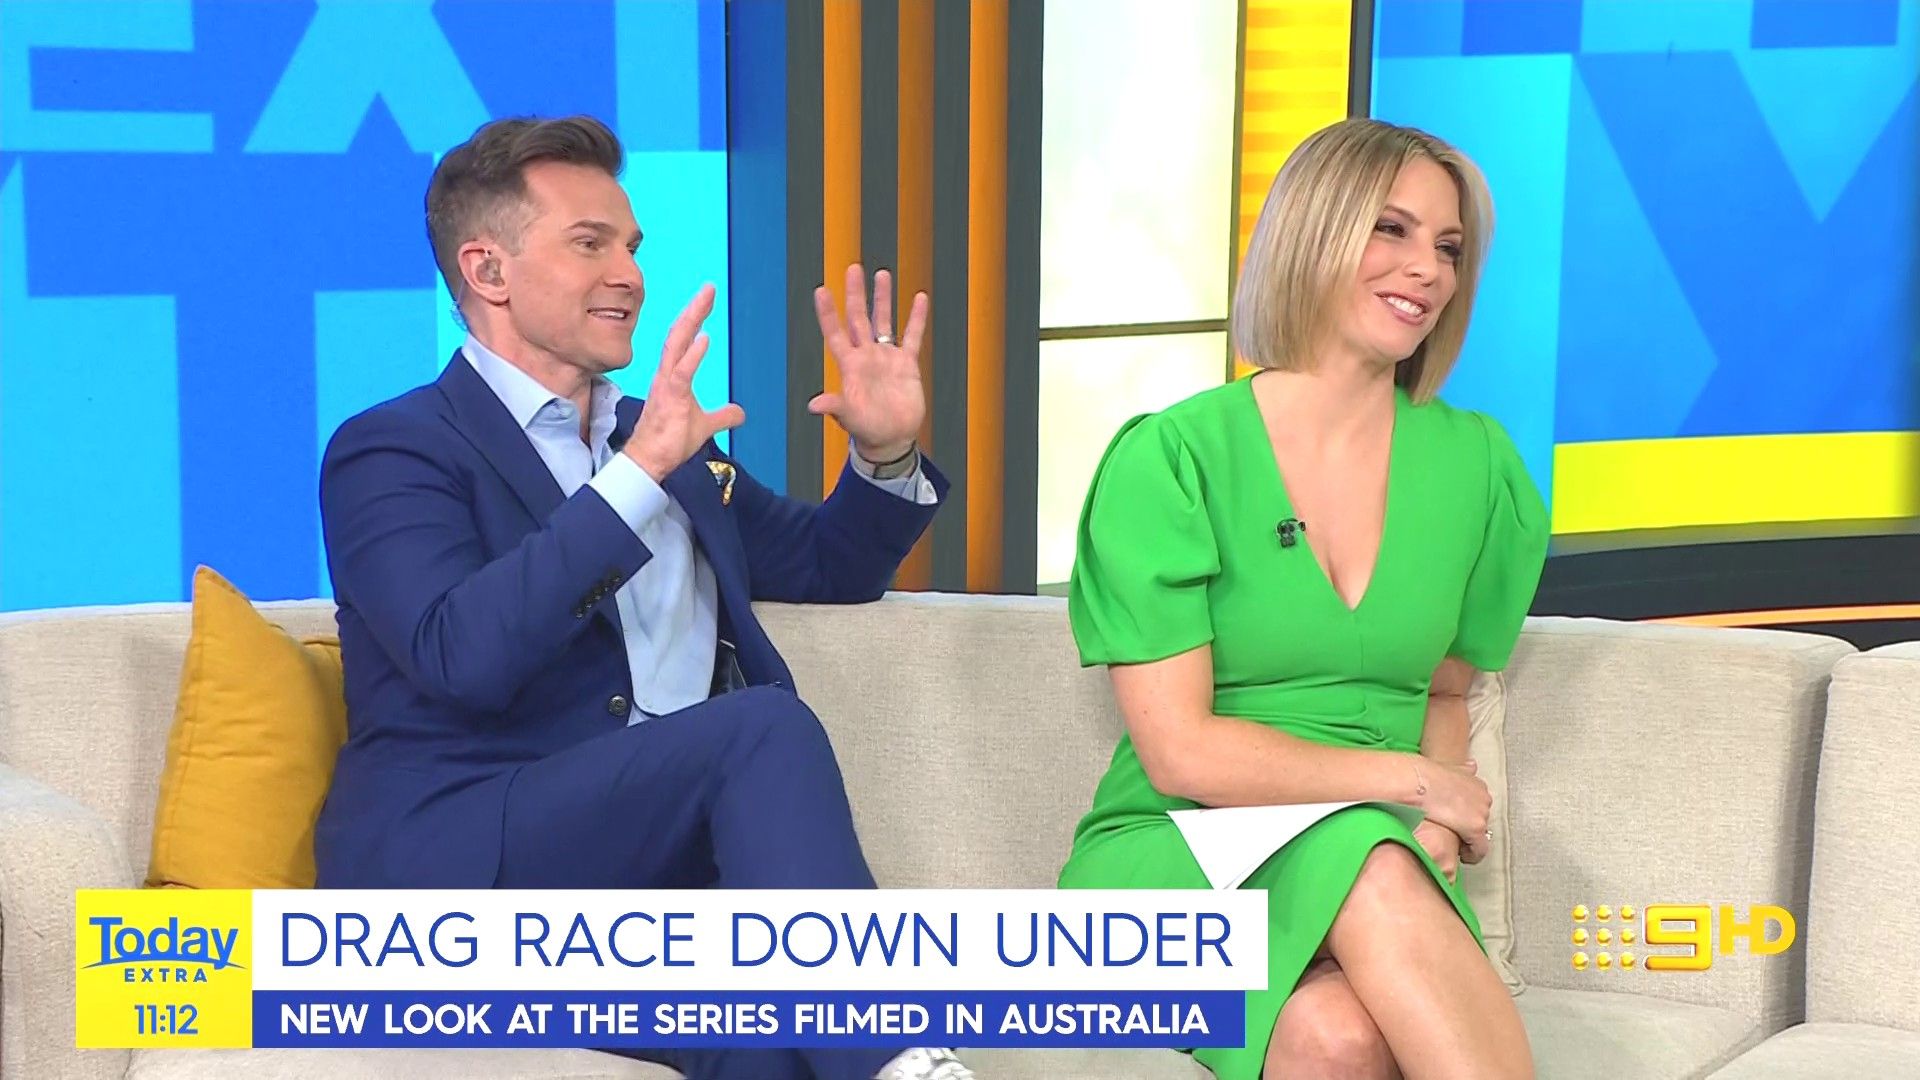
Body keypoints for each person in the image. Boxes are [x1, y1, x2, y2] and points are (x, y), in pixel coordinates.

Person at [313, 115, 974, 1080]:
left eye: (632, 247)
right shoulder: (393, 450)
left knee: (769, 1048)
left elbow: (830, 567)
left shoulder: (665, 445)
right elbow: (463, 654)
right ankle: (898, 1057)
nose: (629, 275)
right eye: (591, 245)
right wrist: (636, 475)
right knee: (760, 727)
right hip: (471, 874)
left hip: (651, 890)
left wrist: (883, 451)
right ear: (488, 271)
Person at [1058, 117, 1547, 1080]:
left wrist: (1435, 822)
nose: (1428, 271)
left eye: (1449, 248)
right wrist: (1412, 788)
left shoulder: (1480, 466)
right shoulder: (1174, 458)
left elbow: (1447, 691)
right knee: (1367, 857)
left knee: (1339, 1039)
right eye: (1391, 229)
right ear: (1312, 233)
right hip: (1181, 858)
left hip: (1381, 863)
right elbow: (1181, 751)